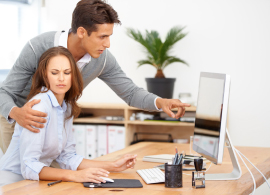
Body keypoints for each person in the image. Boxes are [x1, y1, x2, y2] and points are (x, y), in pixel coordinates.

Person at [0, 0, 190, 153]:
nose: (107, 44)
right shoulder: (38, 47)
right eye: (102, 37)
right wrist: (17, 113)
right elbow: (4, 93)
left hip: (57, 123)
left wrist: (160, 102)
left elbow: (130, 93)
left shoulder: (102, 59)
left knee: (56, 181)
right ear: (82, 32)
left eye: (109, 36)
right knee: (23, 182)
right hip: (18, 120)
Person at [0, 46, 137, 186]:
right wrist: (75, 175)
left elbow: (68, 157)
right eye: (54, 73)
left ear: (73, 75)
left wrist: (113, 165)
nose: (61, 79)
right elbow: (29, 167)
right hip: (12, 184)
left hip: (34, 183)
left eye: (67, 72)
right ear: (45, 75)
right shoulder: (39, 107)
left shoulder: (66, 106)